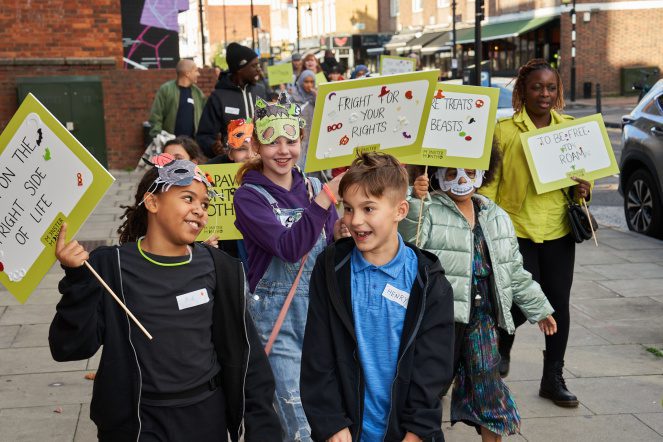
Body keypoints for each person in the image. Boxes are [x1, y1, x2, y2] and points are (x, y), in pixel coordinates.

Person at [48, 155, 281, 441]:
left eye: (205, 204)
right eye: (188, 198)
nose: (200, 210)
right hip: (137, 422)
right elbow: (68, 348)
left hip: (205, 417)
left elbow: (247, 355)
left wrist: (264, 426)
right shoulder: (109, 268)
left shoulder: (220, 268)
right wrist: (77, 281)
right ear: (152, 202)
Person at [301, 153, 455, 442]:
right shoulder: (331, 268)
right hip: (347, 432)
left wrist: (417, 431)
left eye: (368, 208)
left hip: (405, 433)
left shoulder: (428, 282)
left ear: (400, 210)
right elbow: (317, 353)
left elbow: (433, 368)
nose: (355, 220)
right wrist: (332, 423)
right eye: (348, 208)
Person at [401, 161, 557, 442]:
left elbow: (513, 269)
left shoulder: (495, 215)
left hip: (482, 317)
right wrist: (415, 202)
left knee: (488, 385)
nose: (461, 179)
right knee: (429, 388)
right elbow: (408, 246)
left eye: (469, 172)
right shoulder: (429, 208)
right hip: (440, 319)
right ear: (436, 175)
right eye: (451, 173)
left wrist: (539, 307)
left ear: (483, 173)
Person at [480, 58, 592, 408]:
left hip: (558, 231)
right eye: (537, 87)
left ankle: (552, 377)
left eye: (551, 87)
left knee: (558, 304)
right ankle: (502, 347)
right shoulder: (504, 131)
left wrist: (584, 189)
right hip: (516, 232)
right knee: (516, 303)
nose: (545, 94)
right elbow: (490, 186)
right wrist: (483, 225)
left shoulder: (571, 129)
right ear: (522, 92)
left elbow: (582, 180)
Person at [233, 95, 345, 441]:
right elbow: (289, 248)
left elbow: (328, 248)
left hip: (320, 319)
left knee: (327, 416)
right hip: (276, 326)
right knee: (300, 426)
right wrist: (325, 200)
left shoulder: (312, 186)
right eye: (272, 141)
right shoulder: (249, 197)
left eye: (291, 140)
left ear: (302, 140)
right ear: (255, 145)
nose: (283, 150)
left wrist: (344, 228)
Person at [196, 42, 267, 158]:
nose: (258, 70)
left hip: (260, 159)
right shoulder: (218, 97)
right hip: (232, 163)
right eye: (253, 66)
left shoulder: (260, 91)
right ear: (240, 69)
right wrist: (213, 147)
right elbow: (204, 136)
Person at [206, 118, 257, 264]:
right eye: (241, 148)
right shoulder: (210, 180)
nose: (250, 155)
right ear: (230, 154)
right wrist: (206, 246)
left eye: (255, 147)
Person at [148, 59, 206, 140]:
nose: (198, 74)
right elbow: (156, 116)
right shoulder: (166, 89)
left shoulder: (198, 93)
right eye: (196, 71)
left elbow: (205, 118)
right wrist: (157, 136)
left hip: (192, 144)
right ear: (187, 73)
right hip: (171, 144)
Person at [289, 70, 317, 171]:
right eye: (306, 82)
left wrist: (318, 98)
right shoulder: (293, 98)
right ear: (301, 82)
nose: (309, 85)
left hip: (313, 139)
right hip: (299, 138)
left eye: (311, 82)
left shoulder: (318, 97)